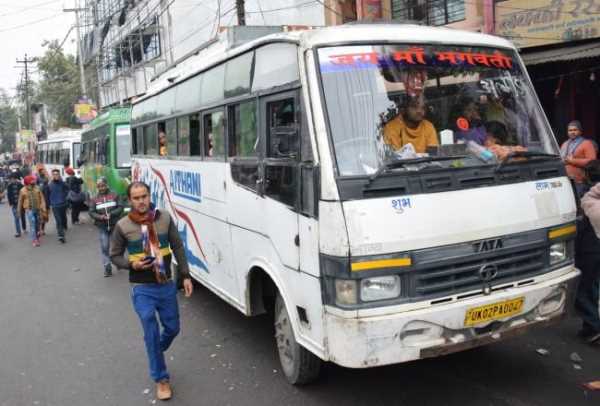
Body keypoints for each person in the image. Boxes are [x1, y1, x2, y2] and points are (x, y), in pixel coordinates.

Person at [110, 181, 193, 401]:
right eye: (136, 198)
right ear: (130, 200)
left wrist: (185, 275)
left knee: (172, 328)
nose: (141, 201)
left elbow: (178, 247)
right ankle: (161, 378)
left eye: (144, 196)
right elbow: (114, 255)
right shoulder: (123, 225)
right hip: (142, 287)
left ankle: (155, 348)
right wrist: (131, 264)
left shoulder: (164, 218)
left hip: (165, 284)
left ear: (149, 195)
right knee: (149, 323)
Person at [577, 160, 600, 345]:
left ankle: (593, 328)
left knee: (581, 291)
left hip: (590, 252)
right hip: (592, 251)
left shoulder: (590, 203)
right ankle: (588, 326)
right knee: (592, 287)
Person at [88, 177, 123, 277]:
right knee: (105, 247)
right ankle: (107, 267)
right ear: (97, 187)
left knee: (117, 246)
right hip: (102, 226)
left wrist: (111, 214)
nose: (101, 188)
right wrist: (100, 217)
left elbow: (121, 207)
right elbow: (91, 212)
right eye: (99, 186)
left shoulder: (115, 195)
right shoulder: (94, 199)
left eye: (103, 185)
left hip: (115, 225)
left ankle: (118, 262)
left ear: (106, 185)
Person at [560, 120, 597, 198]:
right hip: (565, 179)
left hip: (580, 182)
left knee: (579, 204)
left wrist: (572, 161)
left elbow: (592, 161)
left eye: (575, 130)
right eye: (570, 130)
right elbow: (560, 158)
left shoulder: (587, 143)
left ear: (580, 131)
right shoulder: (565, 144)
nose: (572, 132)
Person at [17, 175, 47, 247]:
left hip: (37, 209)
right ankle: (34, 240)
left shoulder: (37, 188)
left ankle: (37, 235)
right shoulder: (22, 190)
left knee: (37, 224)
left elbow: (42, 198)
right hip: (29, 210)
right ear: (27, 183)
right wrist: (18, 211)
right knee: (32, 224)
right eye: (31, 182)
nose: (33, 183)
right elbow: (20, 201)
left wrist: (43, 207)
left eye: (33, 182)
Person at [46, 169, 70, 243]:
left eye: (57, 174)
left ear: (59, 175)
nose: (56, 175)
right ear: (52, 175)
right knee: (58, 221)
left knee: (63, 218)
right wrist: (48, 206)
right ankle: (61, 236)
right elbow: (47, 195)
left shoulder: (62, 183)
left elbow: (68, 189)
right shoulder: (49, 185)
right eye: (54, 174)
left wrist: (64, 196)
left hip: (63, 204)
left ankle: (64, 226)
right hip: (55, 206)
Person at [6, 173, 25, 237]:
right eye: (11, 179)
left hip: (21, 204)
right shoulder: (9, 186)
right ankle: (18, 232)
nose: (11, 180)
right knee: (16, 218)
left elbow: (23, 194)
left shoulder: (20, 185)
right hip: (14, 204)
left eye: (12, 179)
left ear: (15, 179)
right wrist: (10, 203)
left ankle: (24, 228)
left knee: (22, 216)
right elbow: (9, 195)